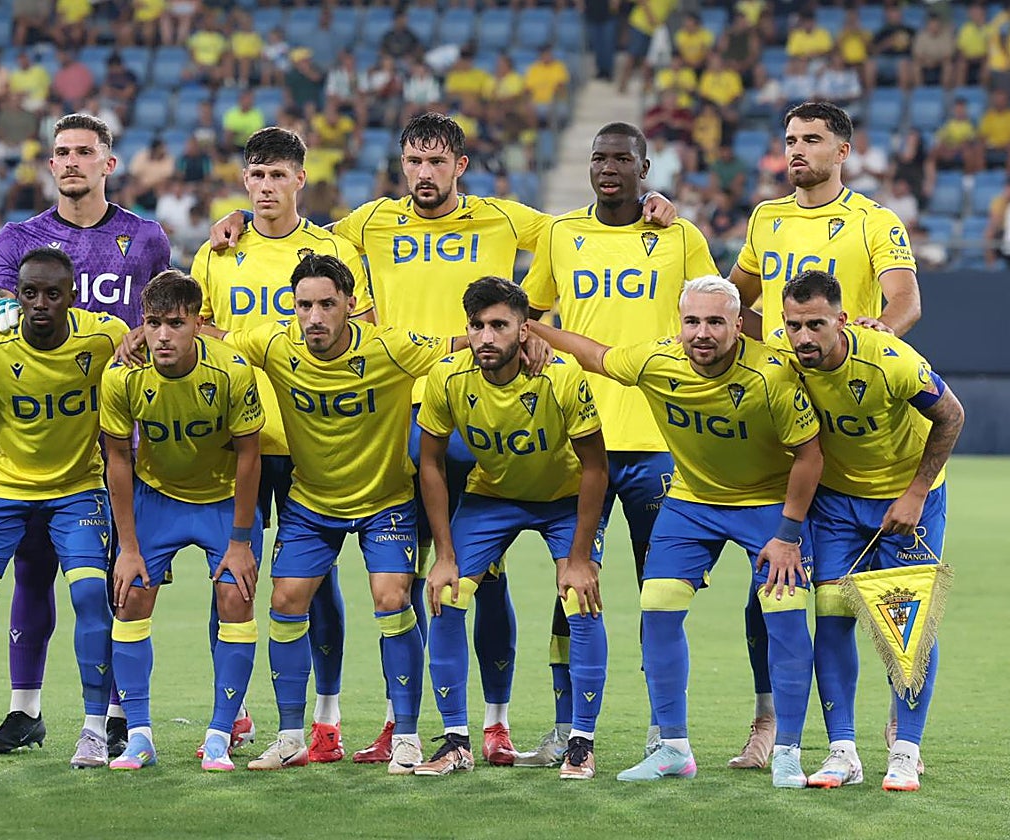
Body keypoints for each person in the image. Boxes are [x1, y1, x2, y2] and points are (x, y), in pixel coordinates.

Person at [207, 111, 678, 766]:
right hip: (408, 420)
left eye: (436, 163)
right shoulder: (369, 222)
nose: (423, 175)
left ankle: (495, 721)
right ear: (401, 165)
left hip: (484, 415)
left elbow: (589, 228)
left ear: (460, 165)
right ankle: (415, 725)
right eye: (412, 162)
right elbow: (287, 226)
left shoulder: (507, 219)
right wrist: (236, 216)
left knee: (486, 578)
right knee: (420, 578)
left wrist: (651, 204)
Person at [530, 276, 823, 788]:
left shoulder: (773, 375)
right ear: (679, 324)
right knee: (659, 605)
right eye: (692, 321)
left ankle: (789, 752)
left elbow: (809, 455)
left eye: (715, 321)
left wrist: (789, 533)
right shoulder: (656, 361)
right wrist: (534, 327)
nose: (702, 332)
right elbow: (598, 355)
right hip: (692, 502)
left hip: (766, 503)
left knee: (784, 611)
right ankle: (673, 747)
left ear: (739, 325)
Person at [516, 121, 718, 766]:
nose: (608, 167)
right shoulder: (561, 234)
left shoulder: (680, 235)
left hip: (661, 440)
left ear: (645, 166)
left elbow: (716, 309)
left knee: (660, 594)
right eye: (599, 157)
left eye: (621, 159)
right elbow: (534, 313)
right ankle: (567, 728)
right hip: (581, 440)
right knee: (571, 589)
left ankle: (666, 732)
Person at [726, 101, 919, 769]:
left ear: (844, 150)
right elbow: (734, 299)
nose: (797, 150)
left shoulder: (873, 221)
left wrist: (877, 340)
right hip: (785, 424)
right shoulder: (766, 217)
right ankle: (769, 725)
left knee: (881, 597)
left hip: (855, 420)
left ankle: (903, 715)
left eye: (811, 139)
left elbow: (904, 302)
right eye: (789, 140)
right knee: (776, 581)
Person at [217, 253, 465, 775]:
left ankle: (408, 735)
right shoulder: (274, 344)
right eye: (304, 305)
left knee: (392, 597)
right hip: (311, 504)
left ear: (351, 306)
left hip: (385, 501)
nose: (314, 317)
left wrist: (528, 339)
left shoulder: (392, 348)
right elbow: (210, 337)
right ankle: (290, 736)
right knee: (284, 600)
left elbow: (459, 345)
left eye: (327, 304)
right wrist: (141, 338)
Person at [0, 113, 171, 760]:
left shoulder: (144, 240)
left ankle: (115, 713)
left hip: (119, 434)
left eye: (85, 152)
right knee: (33, 572)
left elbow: (160, 325)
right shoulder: (17, 238)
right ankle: (24, 710)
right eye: (61, 153)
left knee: (116, 575)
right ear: (50, 164)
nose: (72, 162)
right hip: (38, 436)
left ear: (109, 164)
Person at [185, 126, 374, 764]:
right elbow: (195, 324)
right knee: (229, 574)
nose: (266, 188)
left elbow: (364, 326)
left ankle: (326, 718)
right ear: (245, 182)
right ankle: (232, 712)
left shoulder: (329, 247)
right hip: (234, 437)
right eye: (256, 176)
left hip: (304, 439)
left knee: (314, 583)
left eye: (279, 176)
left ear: (301, 180)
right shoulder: (216, 251)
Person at [0, 247, 126, 769]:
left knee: (90, 595)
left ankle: (91, 730)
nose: (39, 303)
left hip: (77, 489)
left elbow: (148, 354)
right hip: (0, 489)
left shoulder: (104, 337)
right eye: (29, 293)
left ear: (72, 297)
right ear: (16, 295)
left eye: (52, 294)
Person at [414, 277, 608, 780]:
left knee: (579, 598)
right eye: (477, 326)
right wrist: (444, 555)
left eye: (500, 325)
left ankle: (581, 743)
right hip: (492, 496)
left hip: (564, 500)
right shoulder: (448, 378)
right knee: (447, 593)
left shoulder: (562, 378)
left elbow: (595, 468)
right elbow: (430, 464)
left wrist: (582, 558)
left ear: (525, 330)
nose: (486, 337)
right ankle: (457, 740)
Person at [777, 270, 963, 792]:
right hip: (836, 505)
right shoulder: (784, 357)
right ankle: (843, 751)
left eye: (815, 324)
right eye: (794, 325)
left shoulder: (890, 360)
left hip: (907, 503)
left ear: (841, 319)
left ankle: (905, 749)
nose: (804, 337)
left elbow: (951, 416)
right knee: (832, 616)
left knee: (906, 626)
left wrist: (916, 493)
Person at [100, 270, 265, 771]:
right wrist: (127, 547)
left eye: (175, 323)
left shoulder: (232, 371)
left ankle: (219, 734)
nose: (163, 335)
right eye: (153, 323)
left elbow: (249, 456)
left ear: (197, 322)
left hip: (223, 500)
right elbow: (118, 462)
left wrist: (240, 541)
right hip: (158, 498)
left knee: (235, 598)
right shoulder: (121, 376)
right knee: (128, 599)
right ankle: (140, 737)